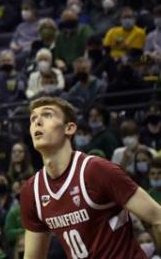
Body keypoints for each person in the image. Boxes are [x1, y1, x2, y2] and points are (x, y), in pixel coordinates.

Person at [20, 96, 161, 258]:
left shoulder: (96, 170)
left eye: (47, 115)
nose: (37, 122)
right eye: (33, 118)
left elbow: (157, 217)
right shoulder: (32, 191)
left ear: (69, 128)